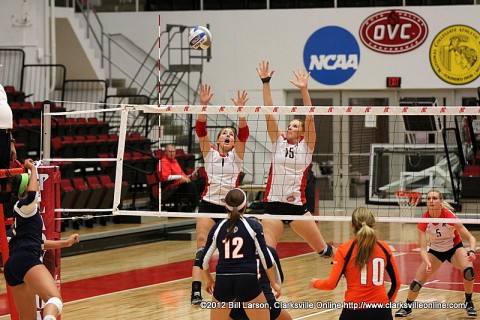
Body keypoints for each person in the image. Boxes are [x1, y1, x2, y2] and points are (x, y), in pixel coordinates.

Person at [256, 60, 334, 258]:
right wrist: (266, 82)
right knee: (267, 253)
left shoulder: (306, 147)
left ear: (302, 133)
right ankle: (268, 287)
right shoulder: (278, 142)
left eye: (295, 127)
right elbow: (269, 114)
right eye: (289, 125)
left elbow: (310, 118)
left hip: (297, 207)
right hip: (273, 205)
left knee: (323, 250)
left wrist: (304, 90)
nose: (290, 128)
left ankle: (345, 267)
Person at [190, 84, 250, 305]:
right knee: (201, 244)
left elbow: (244, 133)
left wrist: (241, 111)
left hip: (230, 208)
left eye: (231, 134)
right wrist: (203, 105)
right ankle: (196, 290)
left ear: (233, 141)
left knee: (233, 248)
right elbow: (200, 129)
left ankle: (235, 285)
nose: (228, 135)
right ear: (218, 140)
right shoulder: (209, 153)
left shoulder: (238, 155)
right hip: (208, 204)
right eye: (224, 133)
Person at [3, 159, 78, 320]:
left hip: (13, 265)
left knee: (27, 318)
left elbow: (37, 242)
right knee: (55, 300)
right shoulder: (25, 207)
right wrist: (32, 169)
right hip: (26, 260)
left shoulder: (22, 214)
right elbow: (32, 195)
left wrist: (65, 243)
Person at [199, 188, 281, 320]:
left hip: (223, 280)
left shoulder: (218, 227)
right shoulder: (253, 226)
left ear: (225, 205)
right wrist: (274, 283)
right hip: (247, 279)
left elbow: (202, 261)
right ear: (246, 205)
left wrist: (209, 280)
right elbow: (265, 258)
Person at [395, 189, 477, 317]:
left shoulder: (449, 216)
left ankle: (468, 302)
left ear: (441, 201)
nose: (431, 201)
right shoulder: (424, 221)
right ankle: (407, 307)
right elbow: (423, 248)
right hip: (435, 251)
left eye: (434, 198)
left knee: (469, 271)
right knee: (416, 283)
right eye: (428, 199)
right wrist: (427, 262)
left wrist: (471, 250)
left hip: (454, 248)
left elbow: (471, 238)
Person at [310, 207, 401, 320]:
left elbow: (331, 284)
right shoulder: (384, 248)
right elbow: (397, 283)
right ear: (372, 224)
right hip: (381, 310)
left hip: (354, 310)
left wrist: (315, 283)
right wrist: (386, 303)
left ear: (352, 225)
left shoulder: (344, 250)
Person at [230, 241, 292, 320]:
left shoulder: (230, 253)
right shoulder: (269, 251)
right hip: (267, 302)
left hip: (238, 304)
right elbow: (279, 280)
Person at [159, 144, 204, 211]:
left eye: (173, 151)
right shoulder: (163, 161)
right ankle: (196, 207)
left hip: (182, 184)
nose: (172, 153)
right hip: (173, 188)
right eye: (170, 152)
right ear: (165, 152)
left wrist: (190, 176)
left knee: (201, 182)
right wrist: (180, 177)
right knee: (190, 184)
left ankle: (201, 204)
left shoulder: (175, 161)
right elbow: (165, 177)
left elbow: (182, 175)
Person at [0, 83, 16, 191]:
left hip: (5, 134)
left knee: (4, 170)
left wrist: (11, 142)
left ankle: (3, 201)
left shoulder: (0, 87)